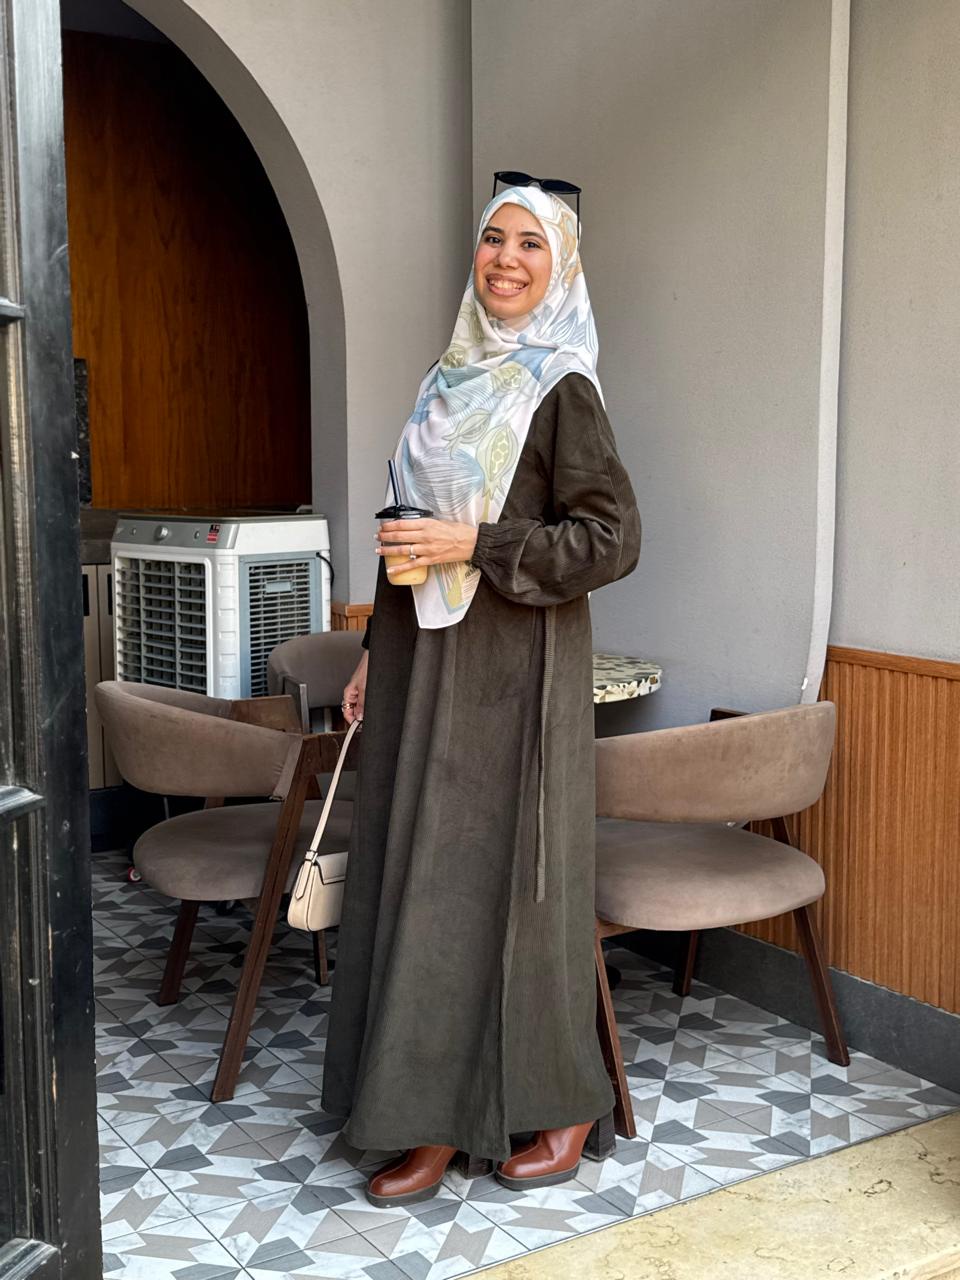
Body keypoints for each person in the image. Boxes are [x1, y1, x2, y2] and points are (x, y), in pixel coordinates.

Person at [321, 179, 641, 1207]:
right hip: (422, 664)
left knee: (515, 892)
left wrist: (478, 543)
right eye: (494, 238)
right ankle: (420, 1114)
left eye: (530, 245)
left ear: (562, 268)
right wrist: (375, 650)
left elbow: (611, 540)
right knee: (418, 879)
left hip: (514, 679)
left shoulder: (561, 385)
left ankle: (562, 1103)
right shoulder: (447, 377)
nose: (506, 258)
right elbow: (404, 526)